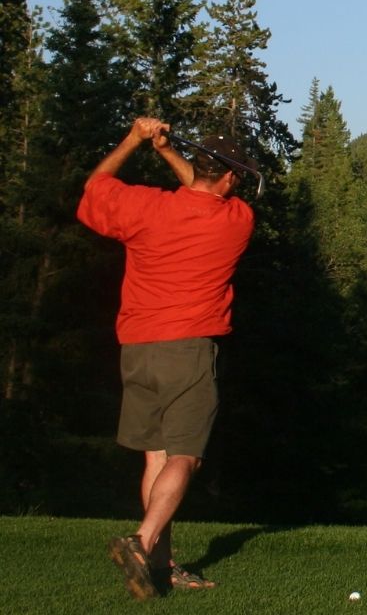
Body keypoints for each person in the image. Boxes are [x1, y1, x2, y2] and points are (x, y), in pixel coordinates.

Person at [77, 116, 255, 599]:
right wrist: (165, 152)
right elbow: (204, 195)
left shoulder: (146, 208)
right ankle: (143, 541)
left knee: (156, 455)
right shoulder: (236, 220)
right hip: (189, 351)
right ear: (232, 177)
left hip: (136, 349)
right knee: (185, 456)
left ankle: (161, 565)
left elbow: (96, 187)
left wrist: (136, 141)